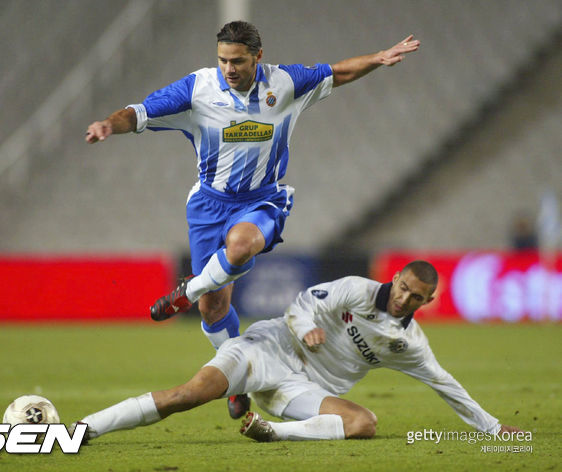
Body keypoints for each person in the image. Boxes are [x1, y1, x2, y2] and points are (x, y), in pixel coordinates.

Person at [85, 20, 420, 418]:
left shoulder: (286, 84)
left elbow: (338, 71)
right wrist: (110, 124)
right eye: (224, 60)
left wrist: (379, 59)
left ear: (258, 56)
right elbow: (137, 113)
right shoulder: (197, 89)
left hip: (263, 201)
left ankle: (187, 292)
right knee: (214, 308)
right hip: (209, 205)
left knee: (241, 247)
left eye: (238, 61)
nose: (230, 68)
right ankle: (235, 379)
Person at [71, 260, 522, 442]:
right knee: (185, 397)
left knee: (364, 423)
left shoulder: (408, 344)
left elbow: (444, 384)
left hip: (302, 390)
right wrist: (306, 329)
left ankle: (272, 431)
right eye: (403, 287)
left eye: (415, 297)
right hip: (269, 349)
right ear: (397, 276)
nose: (403, 298)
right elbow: (300, 304)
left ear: (426, 302)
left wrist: (491, 427)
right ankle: (83, 430)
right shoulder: (355, 290)